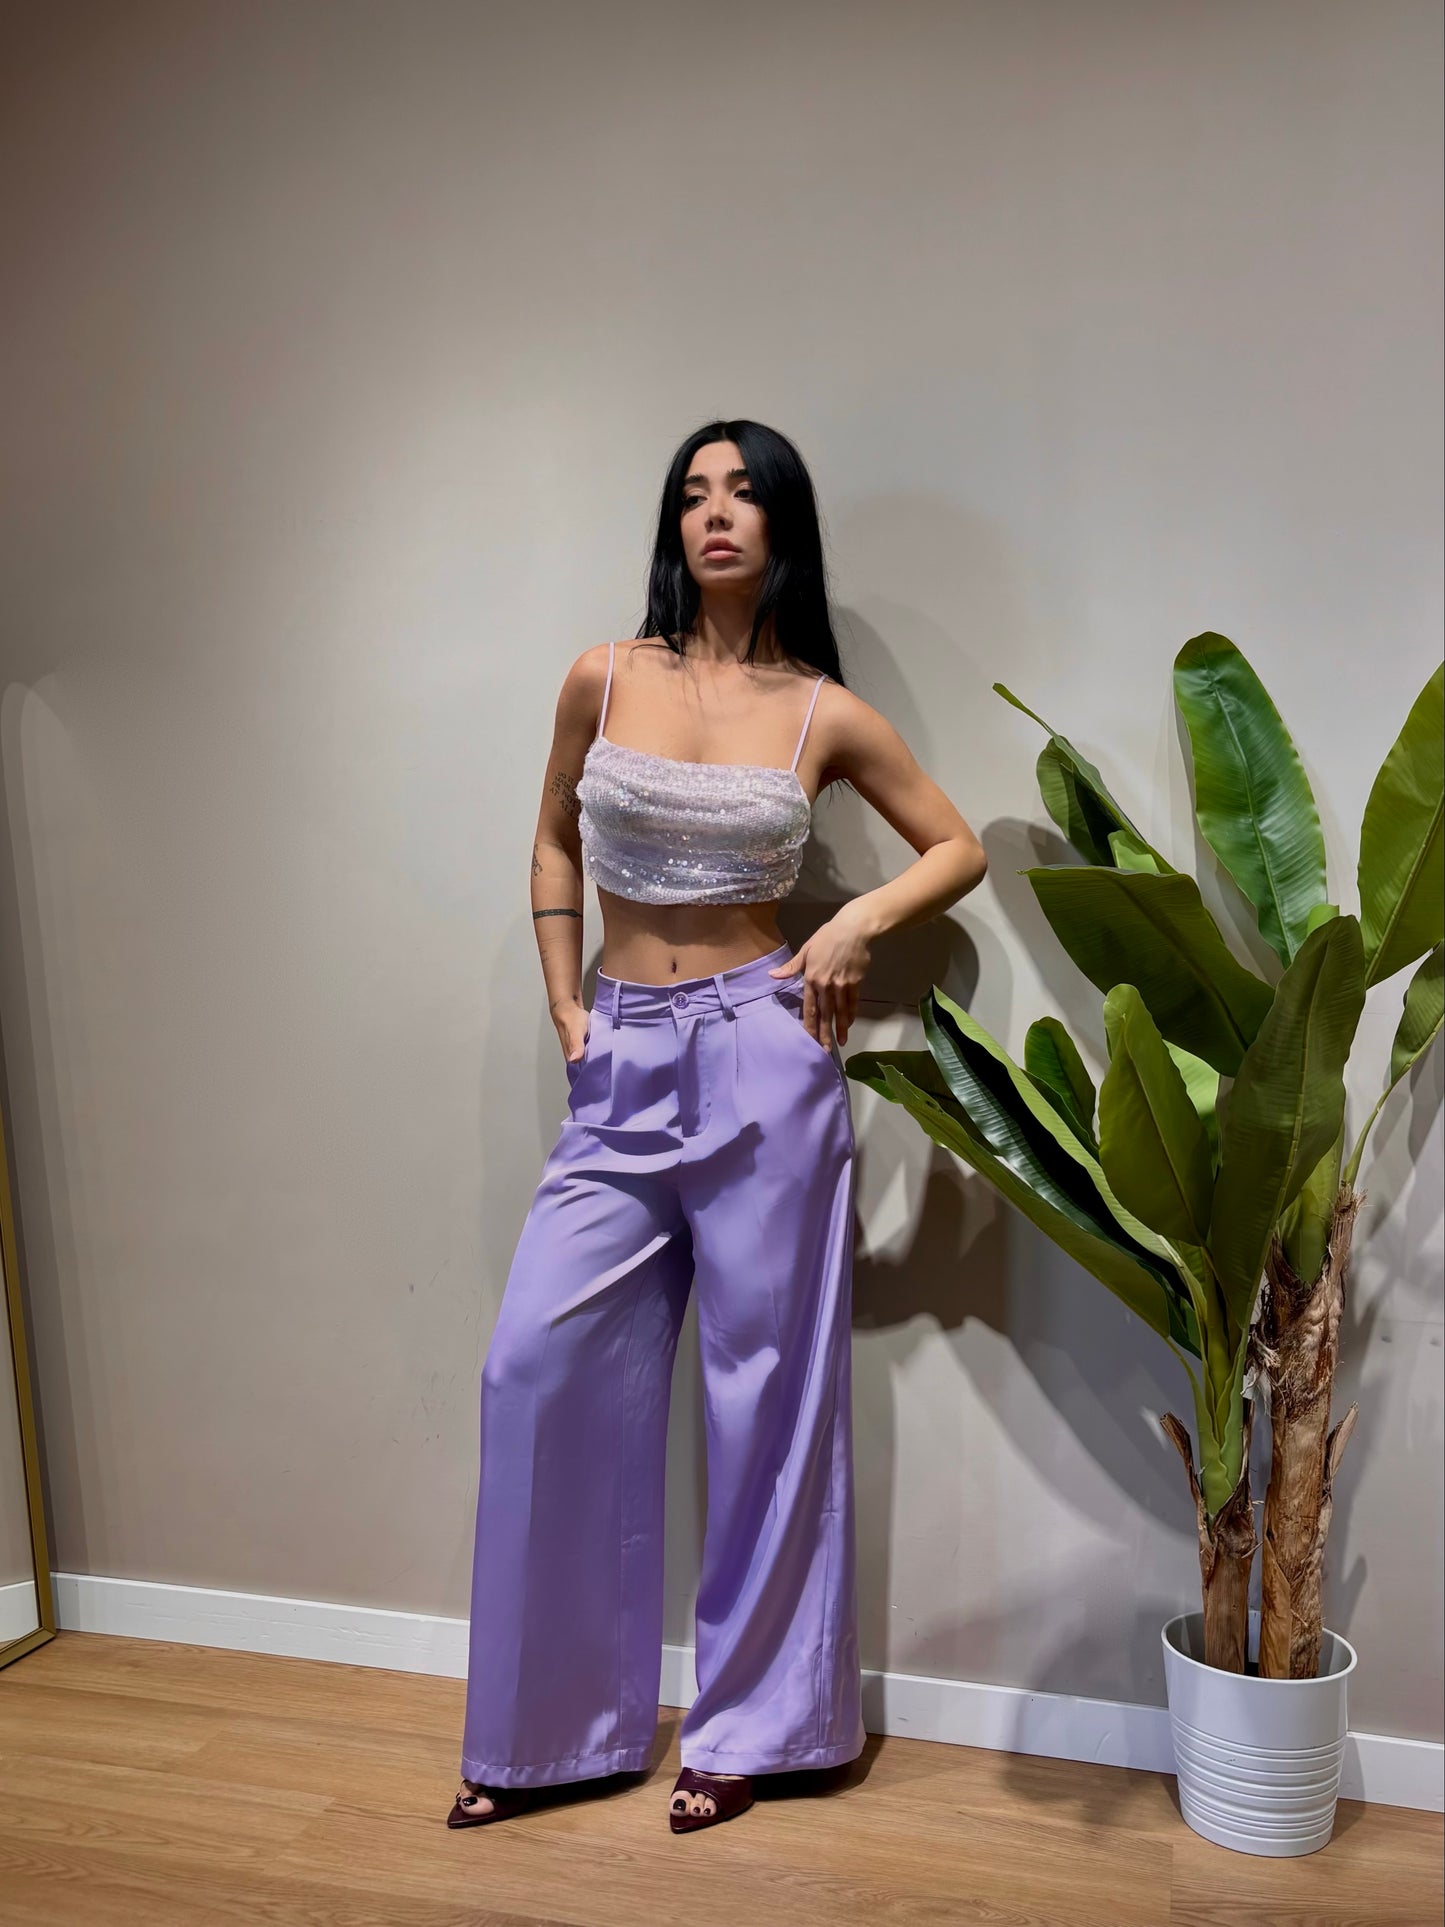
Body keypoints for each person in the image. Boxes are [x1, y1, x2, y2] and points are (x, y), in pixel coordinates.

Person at [449, 418, 987, 1835]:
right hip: (621, 1055)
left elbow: (958, 846)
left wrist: (855, 923)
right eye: (692, 494)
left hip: (764, 1052)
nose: (715, 514)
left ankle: (752, 1730)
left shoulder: (824, 713)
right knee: (533, 1367)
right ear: (672, 528)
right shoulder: (603, 675)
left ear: (781, 526)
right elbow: (554, 834)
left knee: (766, 1397)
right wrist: (565, 1003)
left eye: (743, 492)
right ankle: (544, 1734)